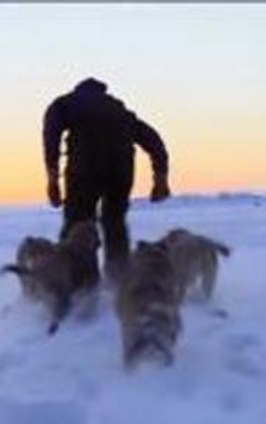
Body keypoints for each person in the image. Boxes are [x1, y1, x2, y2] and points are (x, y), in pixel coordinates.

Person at [43, 77, 171, 281]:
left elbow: (51, 137)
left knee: (77, 226)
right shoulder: (120, 112)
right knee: (115, 224)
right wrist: (161, 177)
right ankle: (118, 281)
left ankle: (73, 281)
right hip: (120, 173)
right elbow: (153, 140)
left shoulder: (64, 104)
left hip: (83, 171)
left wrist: (52, 178)